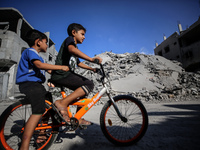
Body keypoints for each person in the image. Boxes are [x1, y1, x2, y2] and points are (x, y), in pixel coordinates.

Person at [16, 29, 69, 150]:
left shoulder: (39, 57)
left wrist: (61, 74)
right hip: (29, 84)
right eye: (46, 42)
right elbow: (40, 66)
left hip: (37, 85)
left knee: (49, 104)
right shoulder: (30, 52)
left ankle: (41, 133)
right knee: (38, 110)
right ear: (38, 42)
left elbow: (48, 70)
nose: (47, 45)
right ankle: (24, 146)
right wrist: (61, 66)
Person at [50, 23, 102, 125]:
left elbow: (78, 63)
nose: (84, 37)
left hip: (65, 75)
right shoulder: (70, 41)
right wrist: (91, 59)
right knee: (89, 84)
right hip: (61, 74)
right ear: (74, 32)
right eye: (82, 34)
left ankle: (78, 117)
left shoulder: (74, 47)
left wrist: (92, 69)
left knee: (84, 91)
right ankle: (62, 103)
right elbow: (72, 50)